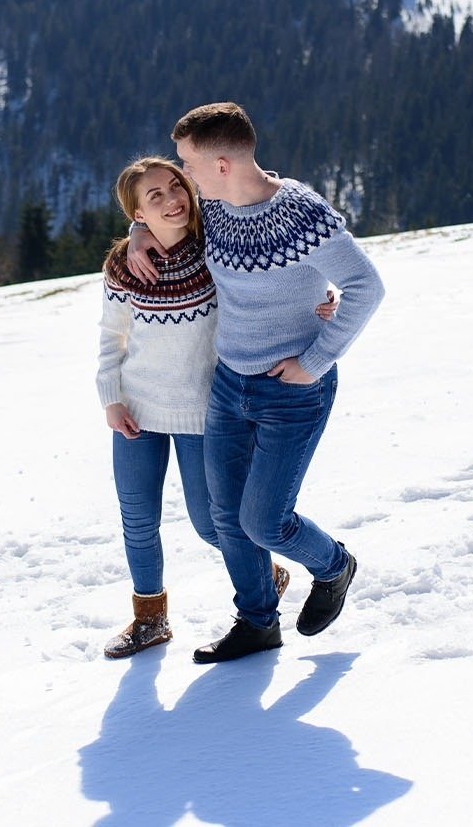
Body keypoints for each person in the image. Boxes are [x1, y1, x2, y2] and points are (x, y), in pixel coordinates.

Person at [126, 103, 385, 663]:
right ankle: (257, 621)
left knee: (264, 520)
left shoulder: (302, 214)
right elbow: (161, 213)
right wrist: (137, 233)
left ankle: (334, 566)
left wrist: (316, 360)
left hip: (293, 391)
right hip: (228, 384)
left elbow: (366, 286)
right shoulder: (213, 207)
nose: (184, 178)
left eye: (189, 165)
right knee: (225, 516)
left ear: (221, 164)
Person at [96, 156, 334, 659]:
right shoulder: (123, 262)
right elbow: (112, 335)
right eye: (153, 197)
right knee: (137, 518)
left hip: (204, 408)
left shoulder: (216, 246)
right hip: (136, 407)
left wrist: (318, 302)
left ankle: (265, 575)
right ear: (136, 213)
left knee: (213, 524)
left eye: (175, 186)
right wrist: (110, 397)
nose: (171, 199)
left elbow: (269, 289)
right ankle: (151, 620)